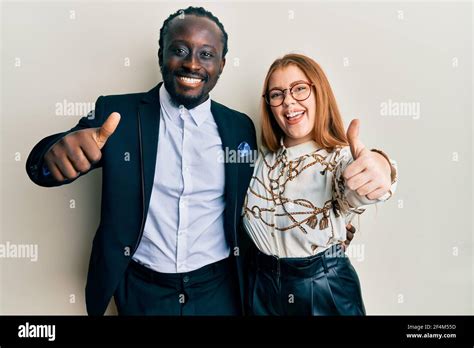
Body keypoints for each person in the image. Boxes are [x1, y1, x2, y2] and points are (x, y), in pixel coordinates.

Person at [242, 53, 398, 315]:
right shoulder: (259, 161)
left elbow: (362, 185)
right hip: (261, 291)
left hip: (323, 291)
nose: (289, 101)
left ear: (319, 93)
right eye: (277, 94)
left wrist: (381, 167)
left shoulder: (338, 158)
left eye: (300, 89)